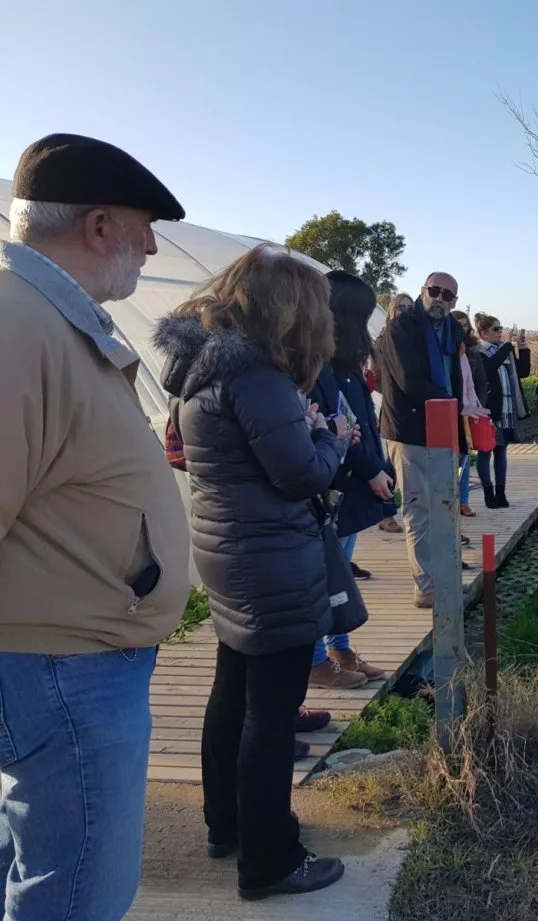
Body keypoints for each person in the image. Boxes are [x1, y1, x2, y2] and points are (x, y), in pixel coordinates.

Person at [0, 134, 192, 921]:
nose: (151, 247)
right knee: (74, 900)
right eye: (144, 226)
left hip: (67, 664)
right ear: (100, 226)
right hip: (60, 672)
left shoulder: (43, 314)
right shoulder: (17, 320)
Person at [154, 245, 349, 900]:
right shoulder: (258, 377)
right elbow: (299, 473)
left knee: (233, 688)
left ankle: (227, 825)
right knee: (270, 712)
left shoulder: (204, 367)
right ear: (289, 312)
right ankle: (270, 858)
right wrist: (333, 438)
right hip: (270, 557)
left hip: (229, 550)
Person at [305, 271, 392, 690]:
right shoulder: (318, 365)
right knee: (326, 573)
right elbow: (338, 426)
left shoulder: (343, 362)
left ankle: (339, 647)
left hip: (350, 480)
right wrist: (372, 468)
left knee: (339, 571)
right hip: (335, 481)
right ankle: (317, 658)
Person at [377, 272, 468, 609]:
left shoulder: (452, 331)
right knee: (419, 508)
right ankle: (426, 587)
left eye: (447, 295)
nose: (440, 299)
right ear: (422, 291)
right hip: (410, 429)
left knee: (444, 505)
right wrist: (455, 405)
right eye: (435, 291)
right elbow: (408, 380)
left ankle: (444, 576)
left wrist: (463, 411)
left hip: (445, 429)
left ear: (454, 302)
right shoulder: (402, 328)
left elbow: (458, 379)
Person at [475, 313, 532, 503]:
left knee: (501, 451)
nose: (500, 333)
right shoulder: (479, 353)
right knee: (486, 451)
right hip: (490, 409)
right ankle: (488, 493)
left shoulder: (503, 352)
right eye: (496, 329)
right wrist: (507, 346)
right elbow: (489, 369)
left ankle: (501, 492)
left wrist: (522, 348)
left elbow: (523, 372)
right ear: (483, 334)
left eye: (501, 329)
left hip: (507, 409)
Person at [373, 292, 414, 534]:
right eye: (401, 307)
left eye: (410, 307)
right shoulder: (384, 339)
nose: (406, 311)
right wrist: (394, 393)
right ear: (392, 310)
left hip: (413, 410)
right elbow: (376, 376)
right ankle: (386, 513)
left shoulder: (414, 338)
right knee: (392, 465)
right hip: (394, 411)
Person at [453, 310, 490, 514]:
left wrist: (476, 407)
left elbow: (473, 384)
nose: (463, 329)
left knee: (466, 456)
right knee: (453, 457)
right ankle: (452, 500)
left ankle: (464, 501)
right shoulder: (447, 352)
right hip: (450, 411)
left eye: (465, 325)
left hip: (467, 412)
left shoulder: (468, 352)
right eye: (458, 325)